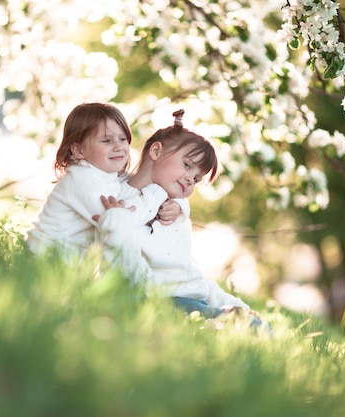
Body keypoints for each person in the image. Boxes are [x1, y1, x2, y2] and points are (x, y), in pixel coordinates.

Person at [98, 109, 265, 329]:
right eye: (187, 165)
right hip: (159, 298)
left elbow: (188, 273)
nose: (190, 179)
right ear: (156, 151)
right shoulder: (119, 197)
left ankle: (233, 316)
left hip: (188, 295)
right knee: (240, 327)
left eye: (197, 178)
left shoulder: (173, 208)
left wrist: (233, 303)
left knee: (256, 325)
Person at [26, 102, 180, 260]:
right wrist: (157, 195)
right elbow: (121, 222)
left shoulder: (109, 175)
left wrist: (176, 206)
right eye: (107, 141)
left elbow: (137, 187)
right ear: (79, 150)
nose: (118, 146)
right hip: (43, 260)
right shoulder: (82, 179)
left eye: (122, 139)